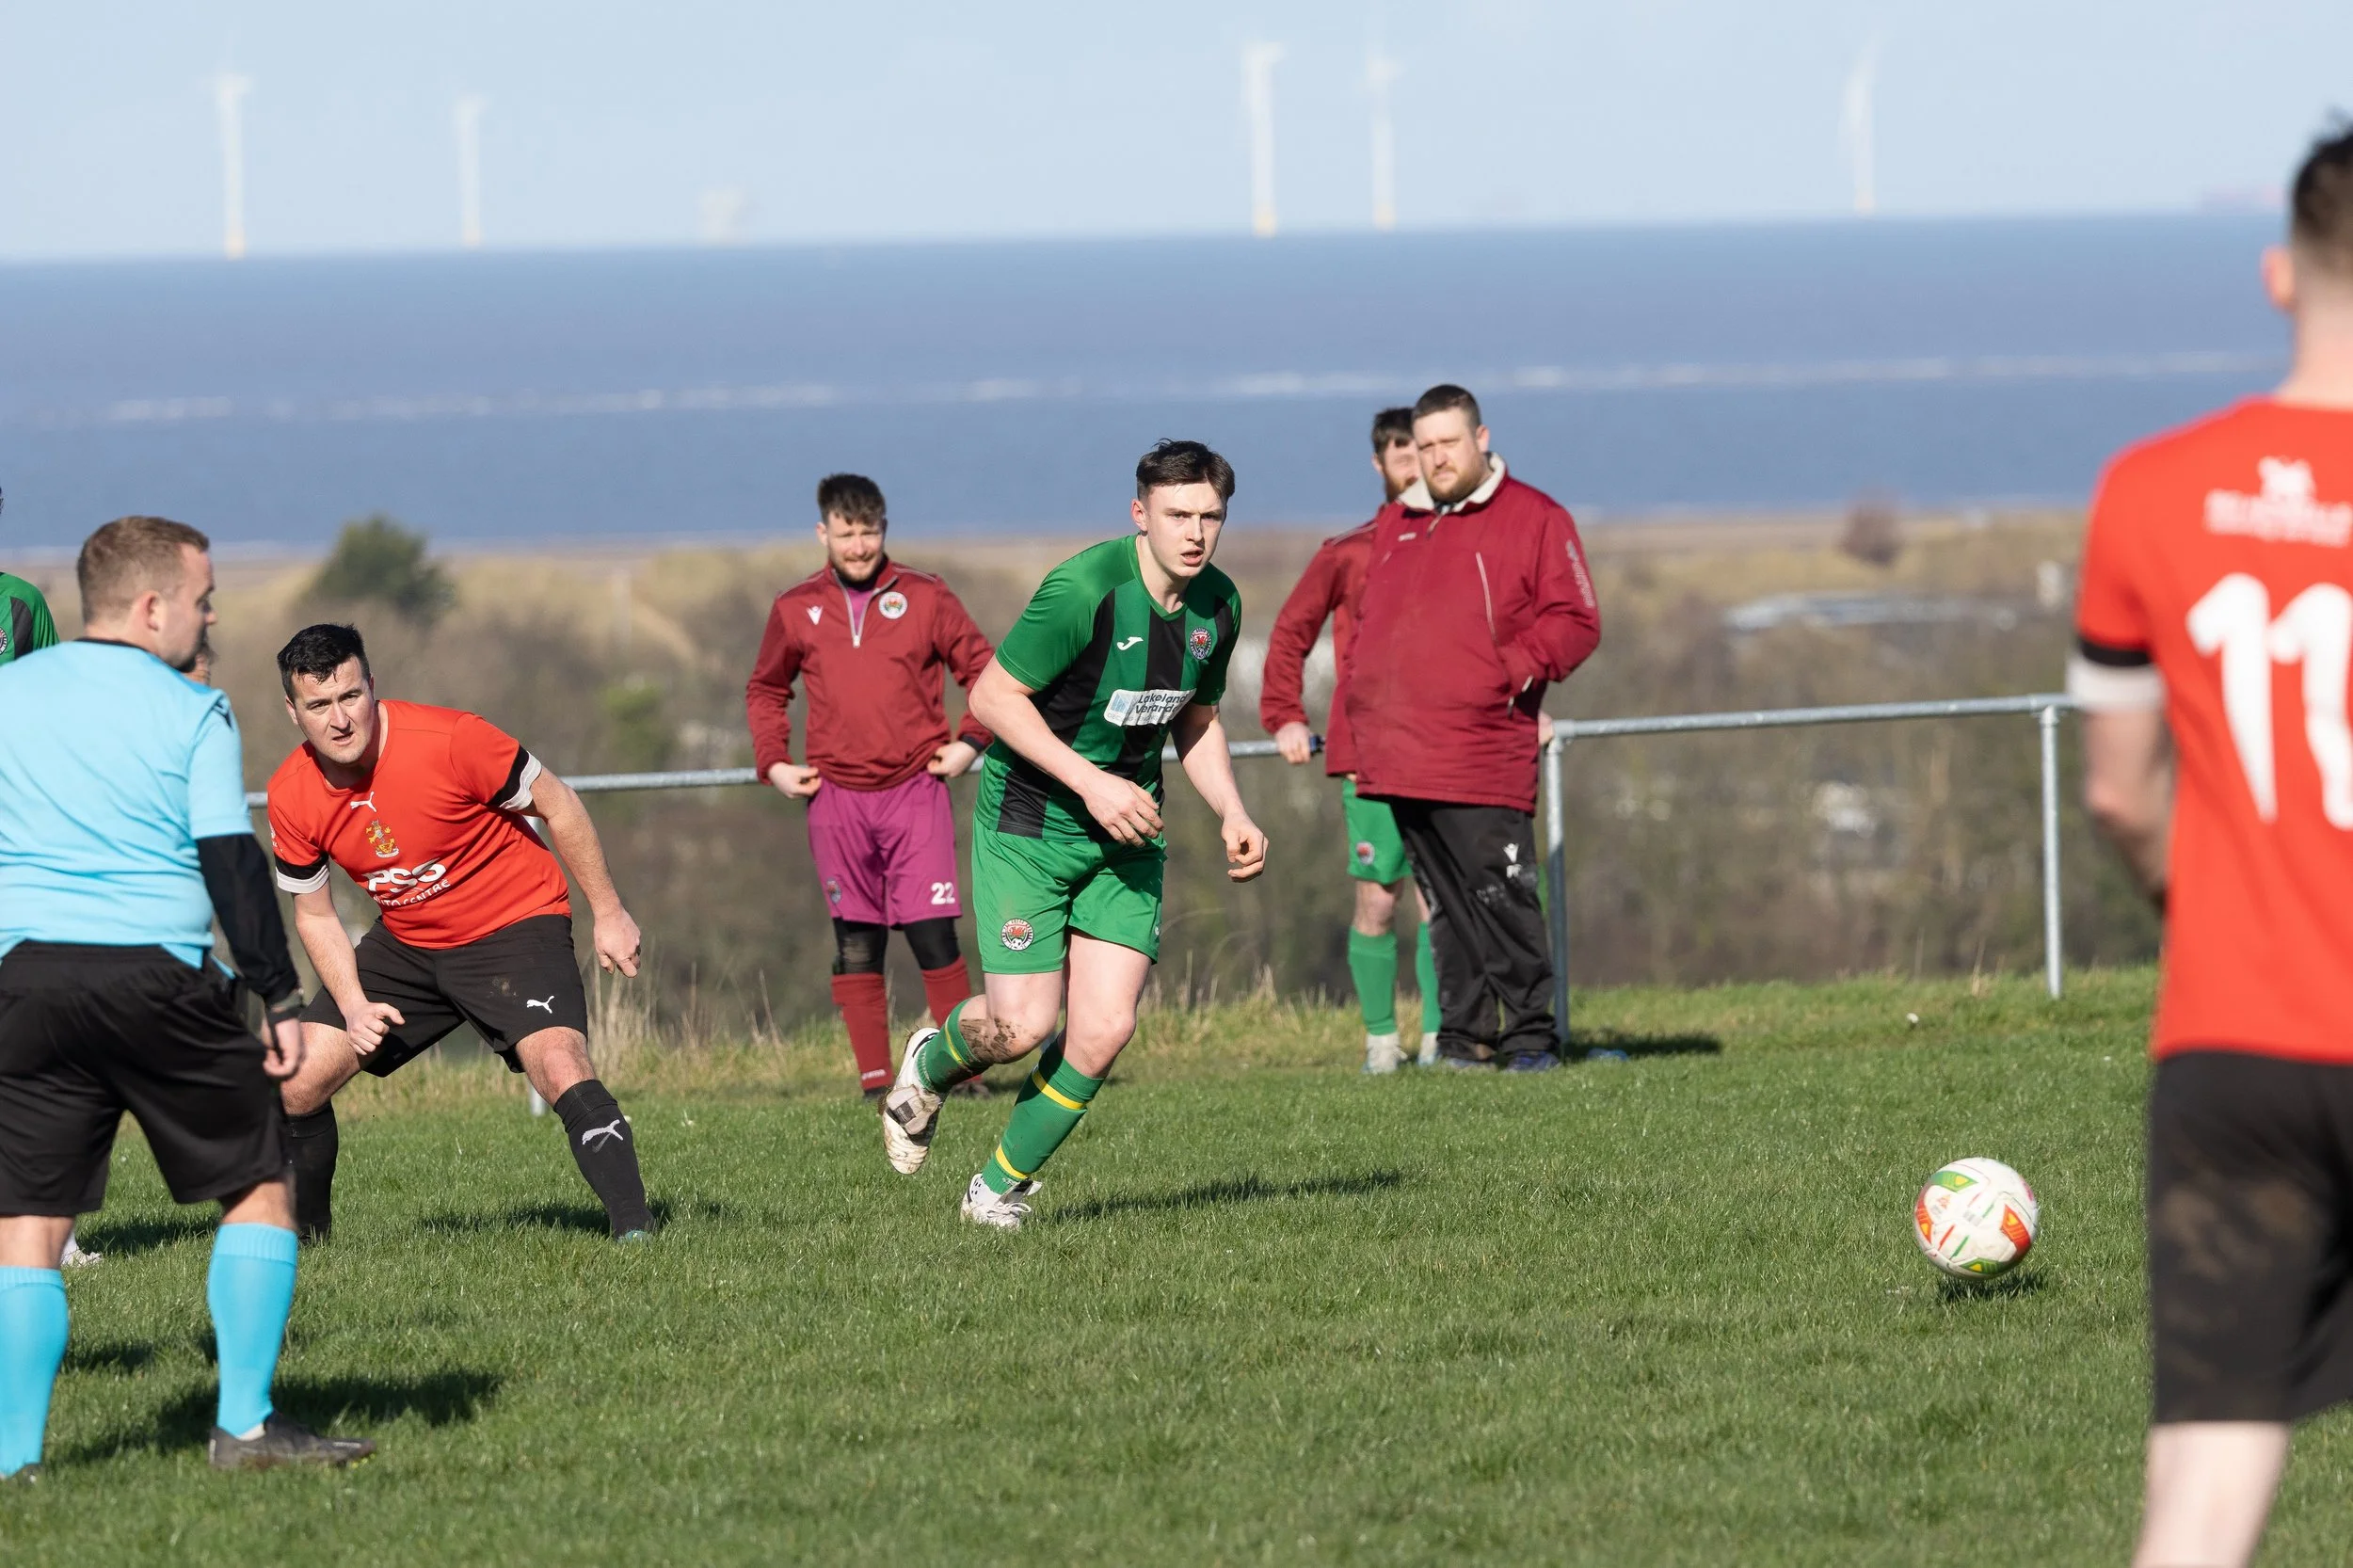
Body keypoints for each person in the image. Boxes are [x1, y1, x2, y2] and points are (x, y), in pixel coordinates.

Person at [2073, 126, 2353, 1568]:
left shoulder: (2150, 488)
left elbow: (2118, 790)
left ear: (2275, 275)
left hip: (2234, 1046)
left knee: (2202, 1491)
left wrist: (2217, 903)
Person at [0, 516, 373, 1477]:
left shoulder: (7, 693)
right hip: (155, 980)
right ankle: (245, 1426)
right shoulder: (190, 709)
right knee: (258, 1184)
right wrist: (280, 995)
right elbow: (228, 859)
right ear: (153, 604)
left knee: (27, 1224)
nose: (210, 619)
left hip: (25, 984)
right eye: (203, 600)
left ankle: (14, 1462)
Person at [877, 440, 1268, 1230]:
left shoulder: (1219, 606)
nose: (1195, 533)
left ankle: (992, 1192)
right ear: (1140, 514)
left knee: (1105, 1028)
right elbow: (991, 699)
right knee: (1022, 1028)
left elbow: (1197, 721)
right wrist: (1091, 782)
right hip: (1033, 823)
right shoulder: (1085, 589)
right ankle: (931, 1062)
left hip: (1128, 831)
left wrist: (1232, 810)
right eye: (1177, 515)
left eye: (1210, 516)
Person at [266, 623, 654, 1243]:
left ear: (372, 686)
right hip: (409, 943)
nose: (338, 720)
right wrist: (353, 1004)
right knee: (295, 1079)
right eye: (318, 705)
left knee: (559, 1066)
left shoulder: (451, 739)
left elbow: (558, 803)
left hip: (513, 924)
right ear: (294, 712)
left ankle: (637, 1233)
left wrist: (609, 911)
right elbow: (314, 913)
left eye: (349, 696)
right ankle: (309, 1247)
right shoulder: (291, 793)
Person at [1345, 385, 1601, 1072]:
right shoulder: (1402, 524)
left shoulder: (1534, 517)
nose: (1435, 457)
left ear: (1481, 438)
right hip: (1400, 758)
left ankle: (1528, 1038)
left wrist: (1506, 670)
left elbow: (1576, 621)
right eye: (1423, 446)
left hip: (1482, 752)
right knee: (1445, 909)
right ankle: (1463, 1038)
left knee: (1501, 896)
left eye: (1448, 442)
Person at [745, 473, 997, 1098]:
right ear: (822, 532)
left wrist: (970, 743)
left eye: (870, 532)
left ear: (885, 528)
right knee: (856, 940)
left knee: (934, 934)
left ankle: (957, 1071)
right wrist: (773, 761)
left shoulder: (926, 596)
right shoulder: (795, 607)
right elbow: (766, 690)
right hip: (835, 799)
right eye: (847, 533)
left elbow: (986, 672)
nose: (859, 546)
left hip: (916, 791)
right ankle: (875, 1082)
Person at [1262, 408, 1442, 1074]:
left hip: (1446, 750)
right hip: (1368, 752)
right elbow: (1289, 634)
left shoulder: (1459, 545)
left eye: (1420, 448)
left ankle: (1443, 1040)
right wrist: (1283, 712)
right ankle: (1380, 1042)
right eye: (1398, 449)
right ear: (1380, 461)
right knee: (1377, 896)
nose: (1411, 459)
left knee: (1440, 896)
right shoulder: (1349, 550)